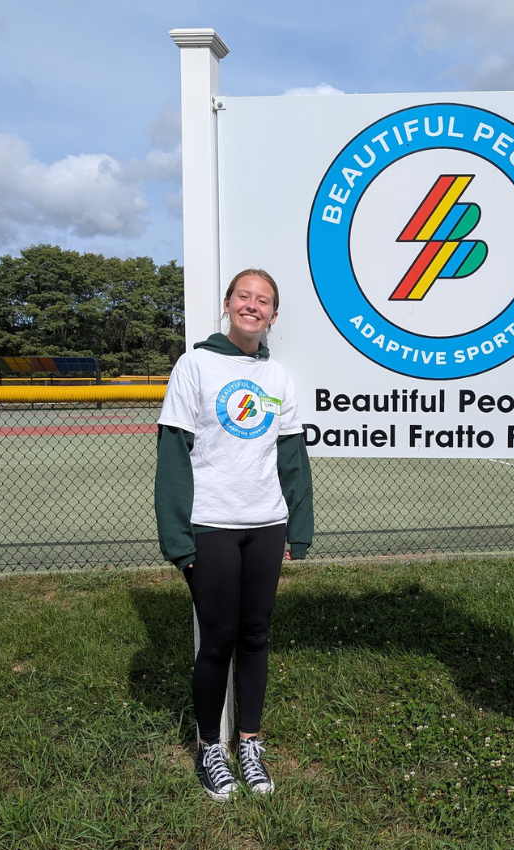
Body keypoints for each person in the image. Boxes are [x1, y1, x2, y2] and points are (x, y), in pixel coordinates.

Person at [154, 268, 313, 802]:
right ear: (227, 304)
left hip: (266, 526)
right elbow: (173, 451)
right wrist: (178, 539)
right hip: (212, 526)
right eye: (244, 296)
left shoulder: (278, 377)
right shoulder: (195, 364)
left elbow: (291, 456)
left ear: (273, 314)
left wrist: (300, 524)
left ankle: (249, 742)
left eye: (263, 300)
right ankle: (210, 748)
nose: (252, 306)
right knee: (217, 641)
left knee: (255, 637)